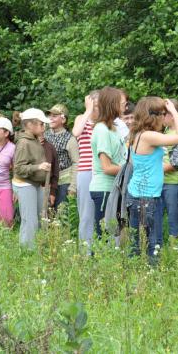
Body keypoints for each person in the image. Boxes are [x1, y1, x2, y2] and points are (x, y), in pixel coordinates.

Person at [127, 97, 178, 263]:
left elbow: (150, 164)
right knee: (153, 244)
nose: (164, 117)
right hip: (147, 197)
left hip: (138, 194)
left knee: (137, 243)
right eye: (163, 114)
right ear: (153, 116)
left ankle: (133, 271)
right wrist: (174, 111)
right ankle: (152, 274)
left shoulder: (139, 134)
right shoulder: (148, 136)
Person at [89, 87, 128, 238]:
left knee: (115, 235)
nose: (124, 107)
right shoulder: (102, 130)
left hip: (115, 187)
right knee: (104, 237)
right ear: (112, 105)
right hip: (105, 189)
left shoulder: (114, 128)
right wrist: (131, 169)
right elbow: (106, 167)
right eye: (121, 103)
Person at [12, 109, 52, 248]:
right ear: (29, 125)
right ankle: (27, 251)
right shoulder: (24, 143)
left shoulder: (34, 140)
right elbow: (18, 168)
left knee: (41, 218)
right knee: (30, 221)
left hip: (35, 183)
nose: (44, 127)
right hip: (24, 184)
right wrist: (38, 167)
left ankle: (37, 248)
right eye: (41, 124)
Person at [73, 91, 100, 244]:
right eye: (94, 106)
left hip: (102, 171)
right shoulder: (81, 118)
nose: (97, 109)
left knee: (102, 213)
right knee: (86, 213)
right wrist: (88, 111)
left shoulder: (104, 123)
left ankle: (103, 248)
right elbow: (76, 132)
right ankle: (85, 249)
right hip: (86, 170)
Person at [162, 99, 178, 242]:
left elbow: (176, 163)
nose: (160, 117)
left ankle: (176, 250)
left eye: (163, 114)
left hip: (174, 183)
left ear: (172, 115)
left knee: (175, 221)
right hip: (162, 181)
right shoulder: (166, 130)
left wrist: (155, 170)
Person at [45, 104, 79, 212]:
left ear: (63, 119)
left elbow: (76, 162)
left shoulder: (70, 138)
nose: (51, 118)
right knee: (46, 215)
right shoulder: (45, 135)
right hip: (48, 182)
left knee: (61, 214)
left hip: (64, 182)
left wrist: (73, 186)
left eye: (54, 116)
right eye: (50, 115)